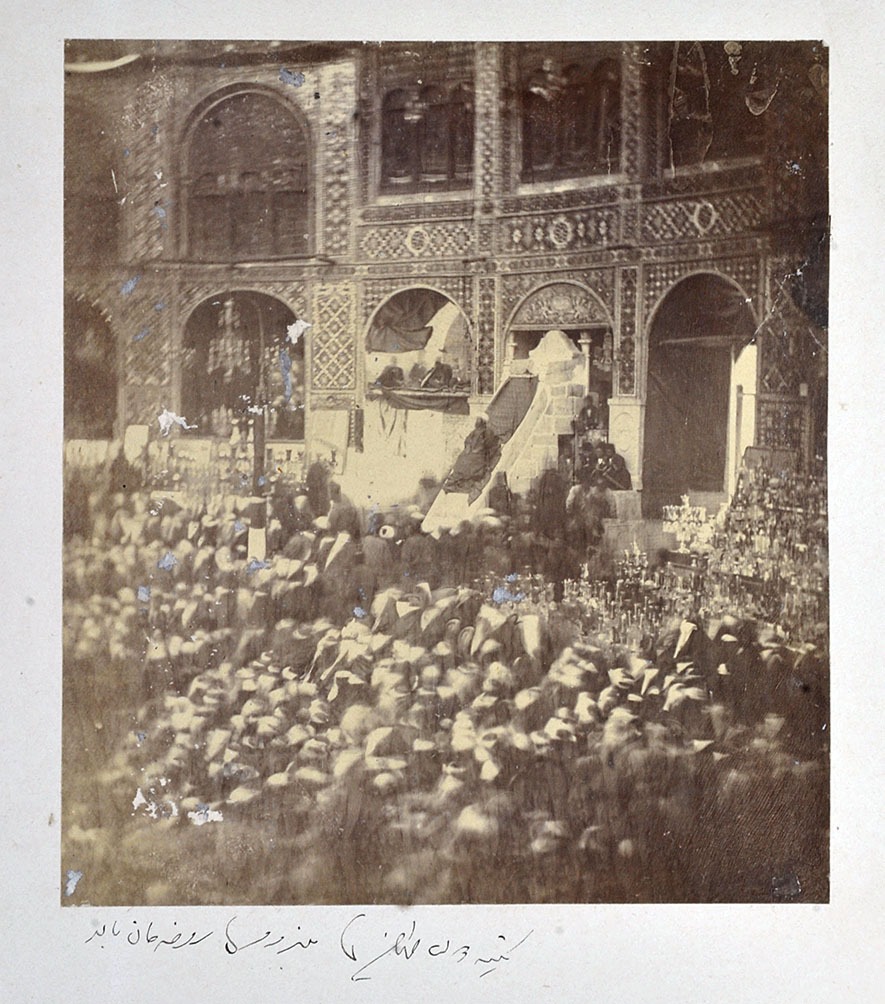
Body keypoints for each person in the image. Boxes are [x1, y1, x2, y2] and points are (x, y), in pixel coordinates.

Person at [443, 414, 501, 503]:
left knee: (460, 473)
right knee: (476, 473)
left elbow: (467, 444)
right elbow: (491, 448)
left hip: (465, 461)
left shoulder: (475, 433)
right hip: (474, 461)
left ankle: (454, 485)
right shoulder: (484, 433)